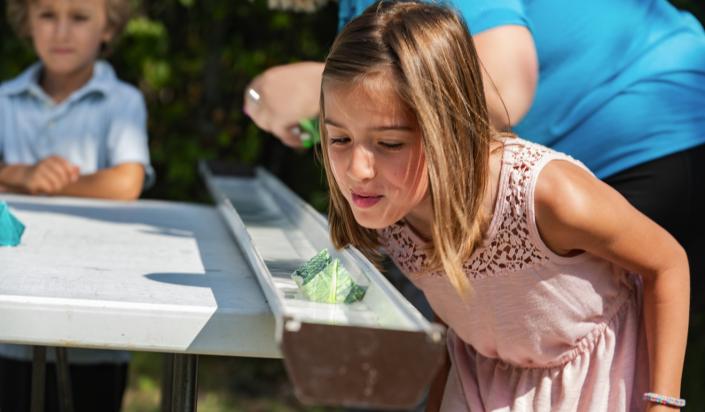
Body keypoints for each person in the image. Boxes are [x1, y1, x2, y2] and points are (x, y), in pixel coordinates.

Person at [245, 0, 705, 401]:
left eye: (388, 144)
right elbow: (446, 309)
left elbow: (665, 262)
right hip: (492, 370)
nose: (358, 169)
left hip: (640, 126)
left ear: (442, 126)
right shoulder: (385, 197)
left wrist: (663, 400)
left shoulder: (551, 194)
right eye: (338, 139)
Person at [0, 0, 153, 410]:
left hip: (96, 323)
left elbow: (126, 182)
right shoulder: (4, 99)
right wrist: (19, 175)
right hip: (9, 320)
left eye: (80, 17)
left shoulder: (122, 100)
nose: (61, 31)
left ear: (108, 27)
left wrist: (48, 184)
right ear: (27, 23)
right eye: (47, 15)